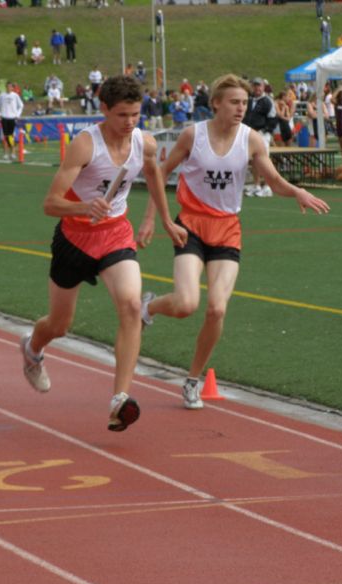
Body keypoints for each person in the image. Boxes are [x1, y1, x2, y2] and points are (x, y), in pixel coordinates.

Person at [138, 74, 330, 409]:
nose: (241, 108)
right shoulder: (192, 135)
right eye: (234, 102)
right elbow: (160, 173)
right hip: (191, 226)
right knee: (186, 304)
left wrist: (296, 191)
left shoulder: (252, 139)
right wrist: (153, 218)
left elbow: (273, 179)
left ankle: (192, 381)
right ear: (216, 103)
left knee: (217, 308)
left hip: (227, 229)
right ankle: (149, 307)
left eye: (245, 103)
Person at [19, 75, 187, 432]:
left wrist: (161, 220)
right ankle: (33, 349)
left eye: (136, 115)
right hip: (74, 240)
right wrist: (83, 209)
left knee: (130, 306)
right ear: (104, 109)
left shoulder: (145, 143)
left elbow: (154, 175)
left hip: (115, 234)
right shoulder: (84, 145)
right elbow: (50, 203)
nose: (130, 123)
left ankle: (119, 399)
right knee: (59, 325)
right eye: (122, 115)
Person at [242, 77, 276, 197]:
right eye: (255, 85)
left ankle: (267, 186)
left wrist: (265, 131)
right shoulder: (249, 100)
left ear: (263, 87)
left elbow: (273, 119)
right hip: (250, 133)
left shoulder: (267, 101)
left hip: (262, 134)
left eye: (259, 85)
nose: (257, 88)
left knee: (264, 160)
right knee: (254, 160)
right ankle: (256, 185)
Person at [0, 82, 23, 161]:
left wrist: (17, 115)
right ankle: (5, 153)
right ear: (6, 87)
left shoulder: (15, 95)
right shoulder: (2, 95)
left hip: (12, 118)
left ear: (12, 88)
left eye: (10, 87)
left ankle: (13, 153)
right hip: (4, 118)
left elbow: (21, 105)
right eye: (7, 87)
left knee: (11, 136)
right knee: (5, 136)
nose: (9, 88)